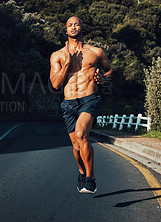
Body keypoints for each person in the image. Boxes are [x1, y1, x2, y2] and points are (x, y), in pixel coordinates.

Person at [49, 16, 112, 194]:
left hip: (89, 98)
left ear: (82, 28)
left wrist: (104, 79)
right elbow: (55, 84)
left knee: (81, 134)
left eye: (77, 24)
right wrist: (66, 64)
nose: (73, 27)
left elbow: (109, 70)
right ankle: (81, 171)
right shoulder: (58, 55)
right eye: (70, 25)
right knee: (76, 145)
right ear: (66, 30)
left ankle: (90, 179)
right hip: (69, 102)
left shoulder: (95, 52)